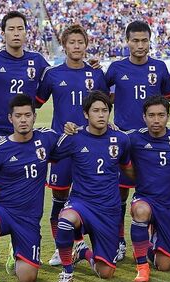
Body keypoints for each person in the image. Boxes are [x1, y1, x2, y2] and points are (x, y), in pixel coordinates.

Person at [105, 20, 170, 261]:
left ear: (150, 41)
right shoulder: (116, 68)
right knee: (120, 195)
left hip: (154, 141)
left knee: (153, 191)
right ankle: (119, 242)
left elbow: (169, 95)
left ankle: (158, 238)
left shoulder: (158, 67)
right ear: (127, 42)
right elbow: (101, 95)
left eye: (144, 40)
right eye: (135, 40)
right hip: (126, 141)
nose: (140, 45)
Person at [36, 24, 109, 266]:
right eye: (72, 42)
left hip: (91, 147)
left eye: (81, 42)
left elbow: (106, 105)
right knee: (59, 197)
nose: (76, 47)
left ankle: (91, 244)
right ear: (64, 45)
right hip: (63, 146)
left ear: (86, 45)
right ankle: (62, 248)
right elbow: (36, 103)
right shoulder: (53, 74)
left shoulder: (96, 75)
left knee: (88, 195)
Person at [50, 90, 134, 282]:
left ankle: (83, 253)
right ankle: (67, 271)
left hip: (108, 209)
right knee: (65, 220)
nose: (101, 114)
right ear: (86, 114)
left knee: (106, 273)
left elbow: (129, 169)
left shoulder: (121, 139)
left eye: (105, 110)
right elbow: (49, 154)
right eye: (95, 110)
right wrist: (66, 130)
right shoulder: (74, 138)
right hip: (81, 203)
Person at [0, 94, 58, 282]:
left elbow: (72, 142)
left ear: (35, 117)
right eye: (18, 116)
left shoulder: (46, 138)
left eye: (28, 115)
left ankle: (15, 251)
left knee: (27, 278)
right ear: (11, 118)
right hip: (5, 212)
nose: (23, 119)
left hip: (29, 220)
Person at [128, 95, 170, 282]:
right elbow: (108, 137)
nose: (156, 120)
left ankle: (148, 242)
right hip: (145, 199)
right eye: (151, 115)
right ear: (144, 117)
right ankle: (142, 267)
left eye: (161, 115)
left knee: (165, 265)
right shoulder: (134, 138)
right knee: (141, 211)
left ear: (168, 116)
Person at [0, 11, 49, 211]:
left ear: (26, 33)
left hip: (24, 138)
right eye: (11, 29)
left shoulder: (37, 61)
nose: (16, 33)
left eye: (20, 29)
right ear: (3, 33)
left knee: (22, 192)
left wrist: (89, 67)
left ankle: (18, 239)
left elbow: (56, 80)